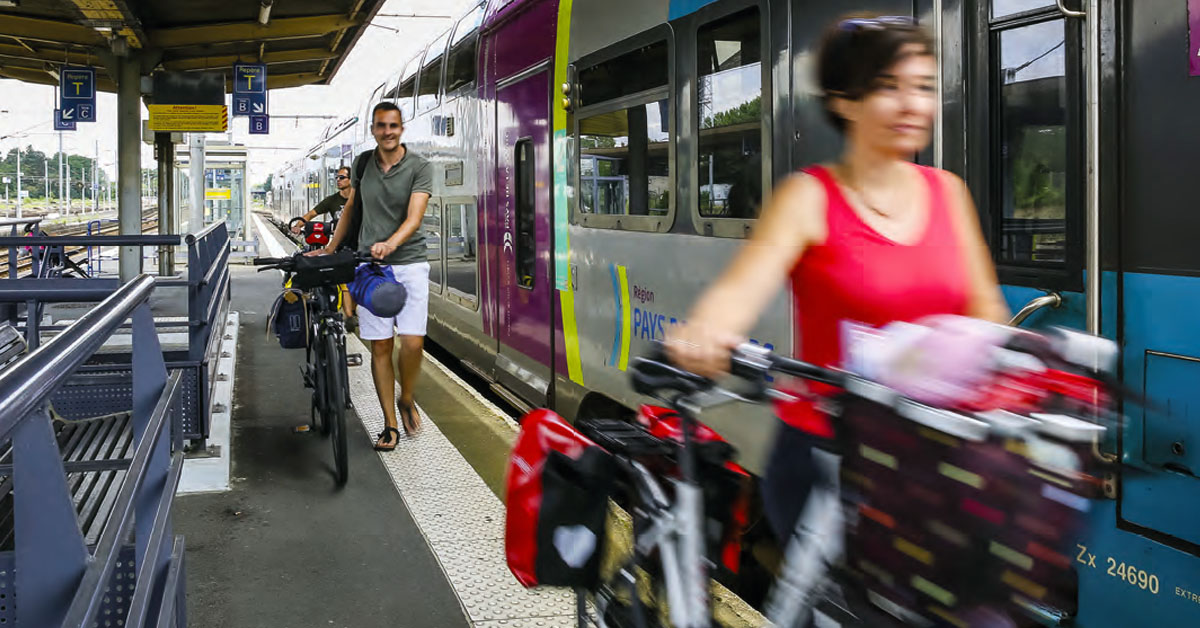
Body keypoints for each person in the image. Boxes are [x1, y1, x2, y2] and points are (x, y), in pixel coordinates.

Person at [665, 9, 1008, 570]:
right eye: (888, 87)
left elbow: (987, 311)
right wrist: (708, 332)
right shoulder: (808, 198)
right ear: (844, 100)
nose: (912, 104)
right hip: (828, 461)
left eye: (922, 87)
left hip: (934, 459)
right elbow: (740, 292)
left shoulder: (950, 193)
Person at [311, 102, 433, 451]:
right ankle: (390, 425)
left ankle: (406, 397)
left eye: (393, 126)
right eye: (381, 126)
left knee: (412, 342)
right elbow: (351, 208)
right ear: (373, 129)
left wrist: (390, 243)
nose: (387, 131)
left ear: (401, 128)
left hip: (409, 262)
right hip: (368, 266)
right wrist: (333, 248)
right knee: (380, 346)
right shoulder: (363, 163)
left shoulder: (419, 167)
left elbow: (414, 216)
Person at [291, 166, 352, 234]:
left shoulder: (360, 199)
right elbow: (310, 214)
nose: (338, 179)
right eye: (336, 177)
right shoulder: (332, 200)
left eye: (342, 177)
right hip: (339, 241)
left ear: (351, 179)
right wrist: (297, 226)